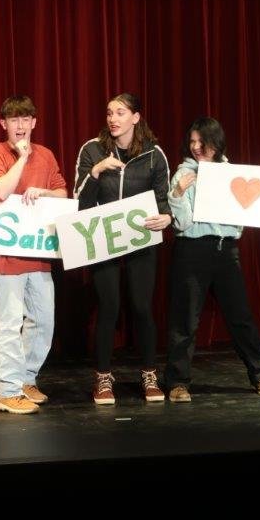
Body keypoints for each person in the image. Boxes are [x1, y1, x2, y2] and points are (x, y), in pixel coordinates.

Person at [164, 117, 260, 401]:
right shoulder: (183, 175)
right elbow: (184, 224)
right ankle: (178, 382)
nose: (197, 147)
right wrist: (177, 195)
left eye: (202, 141)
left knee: (241, 317)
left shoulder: (232, 174)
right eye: (192, 142)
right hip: (193, 251)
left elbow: (251, 212)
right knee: (186, 320)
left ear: (216, 142)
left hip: (226, 252)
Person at [73, 93, 172, 404]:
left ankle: (149, 374)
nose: (112, 118)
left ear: (135, 117)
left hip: (140, 239)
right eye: (109, 112)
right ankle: (103, 378)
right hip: (104, 240)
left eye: (120, 112)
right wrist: (97, 171)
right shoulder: (92, 150)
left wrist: (167, 217)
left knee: (142, 306)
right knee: (109, 306)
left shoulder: (155, 155)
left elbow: (163, 201)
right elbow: (80, 201)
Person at [0, 95, 68, 414]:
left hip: (37, 253)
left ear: (34, 122)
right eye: (13, 120)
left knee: (44, 320)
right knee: (9, 322)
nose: (19, 125)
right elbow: (0, 191)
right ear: (3, 124)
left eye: (25, 119)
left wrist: (44, 192)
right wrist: (20, 158)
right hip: (6, 256)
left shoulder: (46, 155)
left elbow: (62, 192)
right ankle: (7, 390)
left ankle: (25, 379)